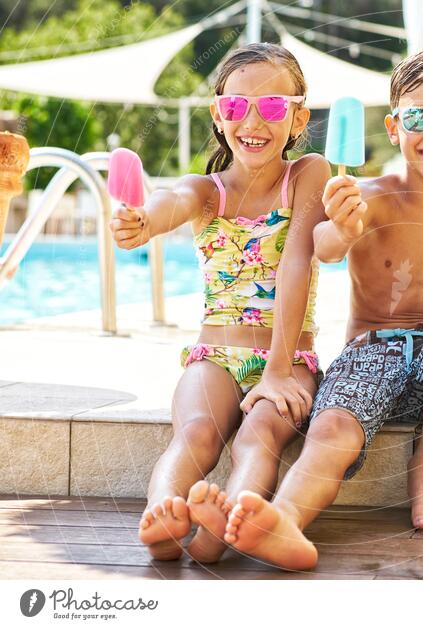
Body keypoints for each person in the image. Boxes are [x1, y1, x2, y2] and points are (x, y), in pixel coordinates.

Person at [223, 48, 423, 571]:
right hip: (370, 356)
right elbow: (323, 249)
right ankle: (283, 522)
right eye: (418, 117)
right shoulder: (365, 198)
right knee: (333, 430)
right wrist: (341, 226)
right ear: (391, 126)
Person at [109, 43, 329, 564]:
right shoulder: (205, 190)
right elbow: (170, 204)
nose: (253, 120)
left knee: (258, 437)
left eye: (273, 107)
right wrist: (141, 222)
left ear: (298, 118)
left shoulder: (307, 175)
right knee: (196, 434)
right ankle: (164, 514)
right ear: (218, 113)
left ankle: (222, 528)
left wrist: (277, 370)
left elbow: (296, 263)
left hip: (290, 359)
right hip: (215, 357)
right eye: (236, 106)